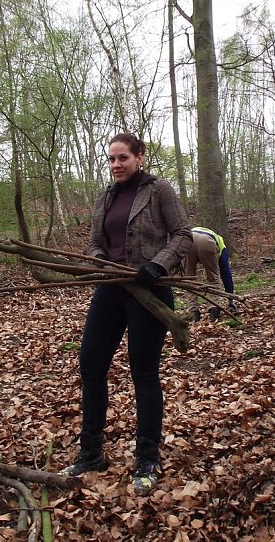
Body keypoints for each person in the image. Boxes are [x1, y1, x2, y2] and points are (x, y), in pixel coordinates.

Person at [60, 133, 193, 496]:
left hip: (149, 290)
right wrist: (99, 259)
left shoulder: (159, 190)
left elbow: (183, 234)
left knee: (144, 372)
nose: (116, 165)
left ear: (139, 157)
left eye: (123, 158)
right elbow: (94, 242)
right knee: (90, 365)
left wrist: (158, 264)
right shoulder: (106, 196)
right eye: (112, 159)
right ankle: (91, 453)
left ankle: (146, 459)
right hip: (110, 288)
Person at [184, 226, 236, 321]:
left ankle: (193, 312)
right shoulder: (221, 244)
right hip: (207, 242)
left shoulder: (207, 233)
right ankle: (214, 309)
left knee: (189, 279)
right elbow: (226, 273)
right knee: (213, 278)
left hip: (188, 239)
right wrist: (230, 299)